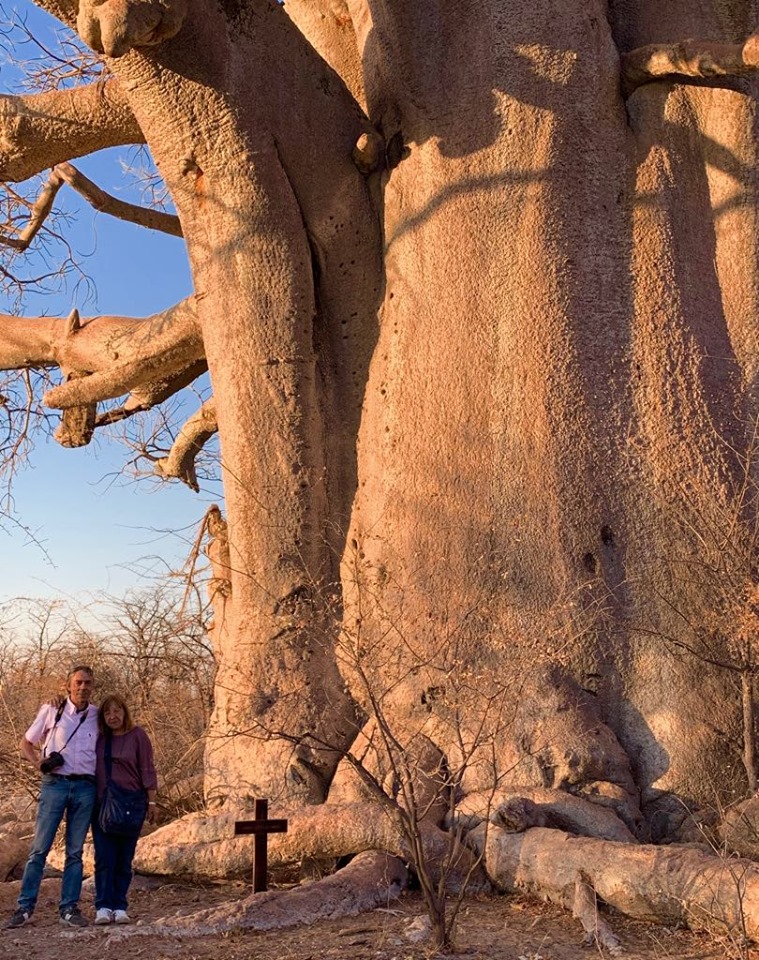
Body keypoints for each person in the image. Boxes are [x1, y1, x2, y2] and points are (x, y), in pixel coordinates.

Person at [5, 665, 99, 929]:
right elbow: (26, 743)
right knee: (38, 850)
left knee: (75, 852)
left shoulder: (97, 716)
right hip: (54, 785)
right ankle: (24, 908)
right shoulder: (52, 710)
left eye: (88, 683)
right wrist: (38, 763)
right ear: (68, 685)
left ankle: (69, 909)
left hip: (85, 787)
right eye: (78, 682)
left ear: (93, 687)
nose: (83, 687)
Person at [92, 694, 157, 925]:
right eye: (108, 712)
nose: (113, 716)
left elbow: (147, 769)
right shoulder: (99, 739)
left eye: (117, 710)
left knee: (124, 858)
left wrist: (152, 802)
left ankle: (120, 905)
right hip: (103, 807)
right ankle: (103, 905)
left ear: (125, 712)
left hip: (132, 804)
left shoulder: (138, 736)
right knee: (104, 857)